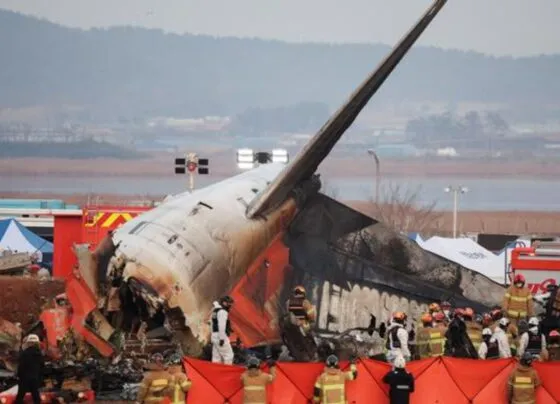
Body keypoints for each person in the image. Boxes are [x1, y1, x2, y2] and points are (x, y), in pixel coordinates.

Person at [14, 334, 44, 404]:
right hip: (34, 378)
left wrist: (18, 375)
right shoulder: (39, 354)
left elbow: (21, 366)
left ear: (29, 343)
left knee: (20, 396)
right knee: (36, 396)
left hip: (24, 378)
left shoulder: (25, 353)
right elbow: (42, 366)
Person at [211, 295, 234, 365]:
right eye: (229, 303)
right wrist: (222, 338)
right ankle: (227, 373)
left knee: (216, 358)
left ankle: (215, 373)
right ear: (224, 303)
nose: (230, 305)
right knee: (229, 355)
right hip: (220, 336)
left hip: (214, 336)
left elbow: (212, 324)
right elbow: (221, 326)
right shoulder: (223, 312)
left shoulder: (215, 311)